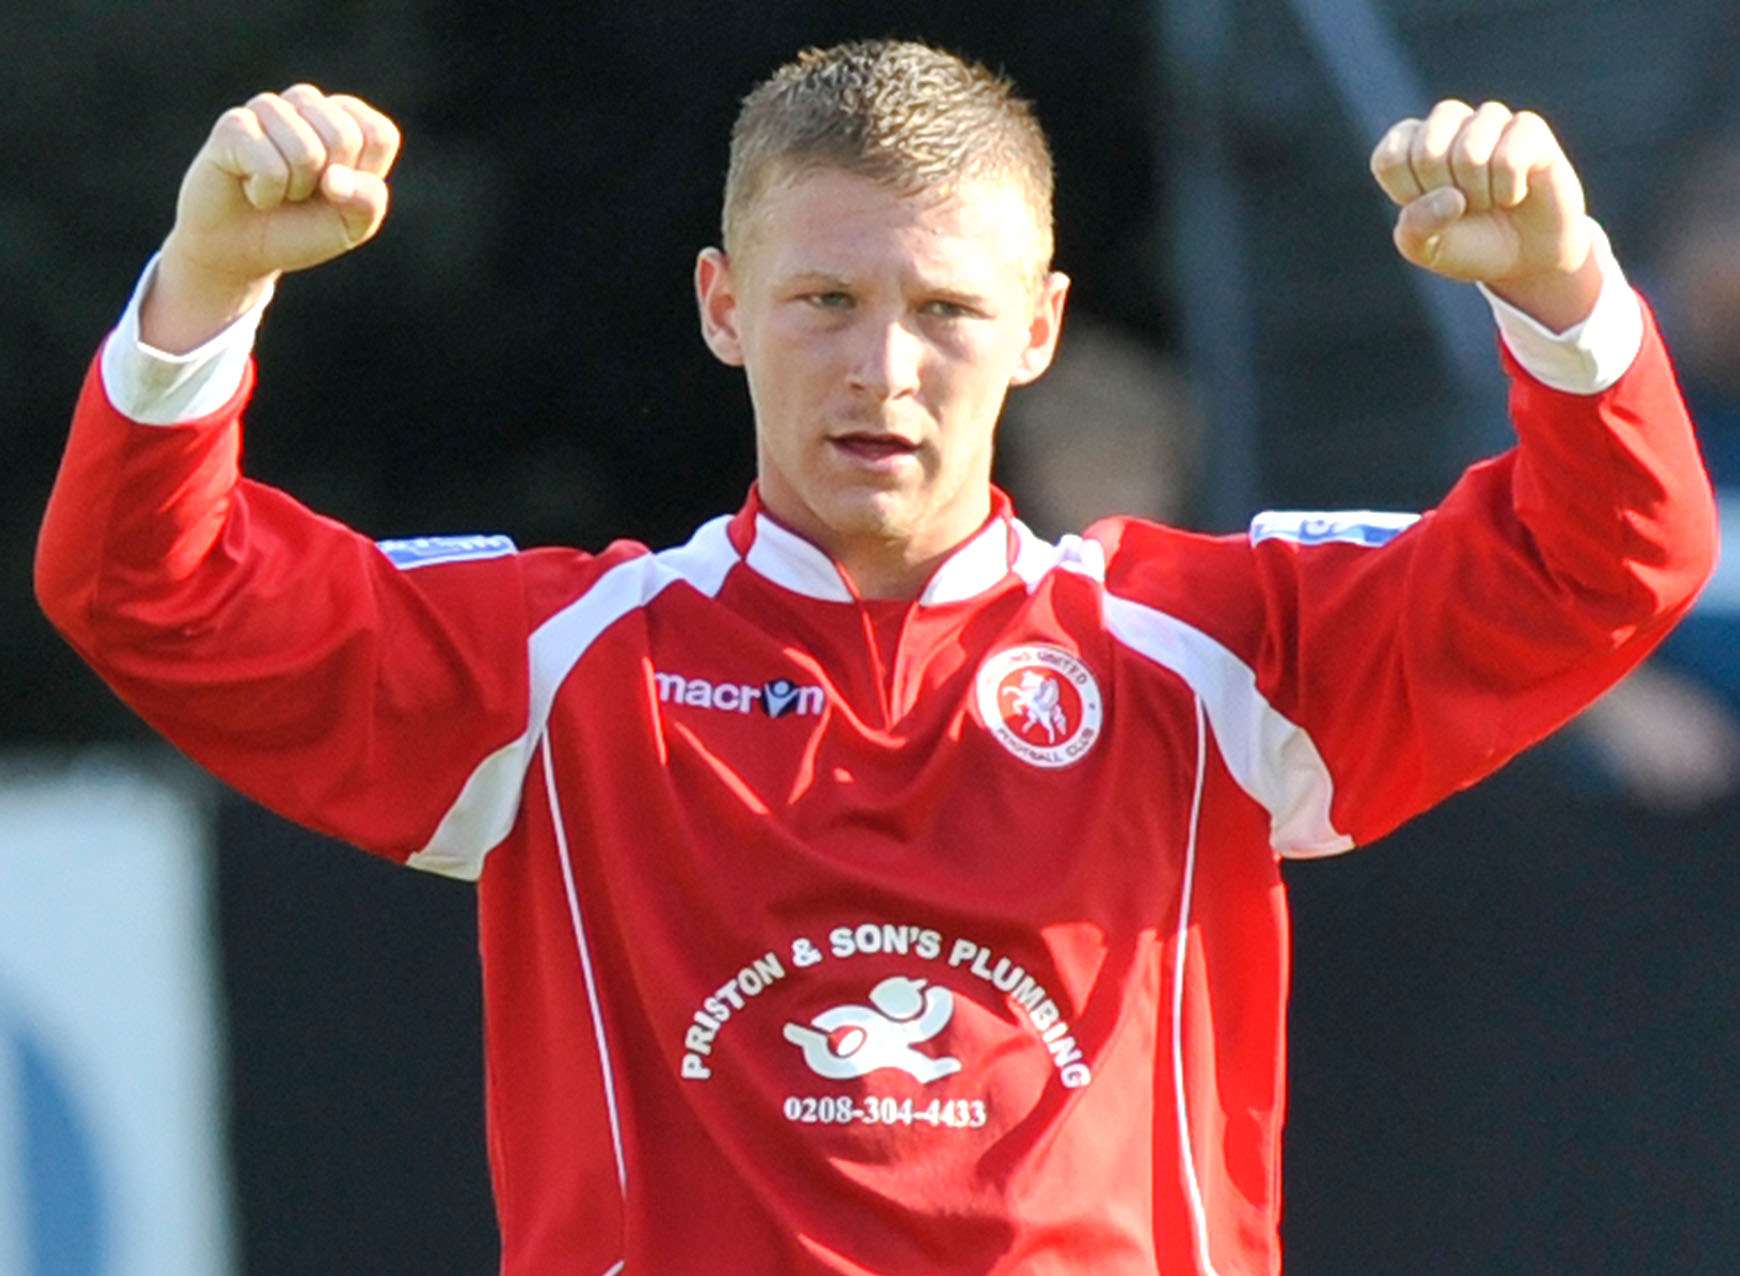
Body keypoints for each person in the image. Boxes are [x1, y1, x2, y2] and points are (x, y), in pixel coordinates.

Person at [34, 39, 1715, 1275]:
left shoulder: (1206, 658)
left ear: (1039, 329)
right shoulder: (564, 672)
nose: (883, 369)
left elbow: (1607, 560)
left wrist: (1567, 300)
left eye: (948, 311)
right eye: (823, 301)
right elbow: (148, 591)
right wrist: (207, 286)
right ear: (720, 306)